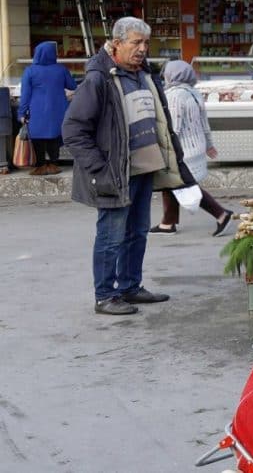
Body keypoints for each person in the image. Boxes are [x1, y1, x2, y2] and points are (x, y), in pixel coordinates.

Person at [62, 17, 196, 316]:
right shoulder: (99, 79)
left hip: (145, 168)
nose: (142, 49)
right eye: (136, 42)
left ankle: (130, 286)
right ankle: (105, 295)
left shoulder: (145, 74)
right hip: (116, 173)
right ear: (116, 43)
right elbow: (73, 130)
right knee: (111, 237)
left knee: (137, 232)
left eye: (146, 43)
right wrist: (100, 168)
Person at [148, 61, 234, 236]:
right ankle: (168, 223)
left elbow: (173, 128)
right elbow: (204, 122)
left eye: (167, 73)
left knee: (185, 185)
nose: (165, 76)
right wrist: (209, 144)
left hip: (182, 149)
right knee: (170, 182)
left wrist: (163, 147)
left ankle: (221, 214)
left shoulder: (174, 95)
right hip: (196, 146)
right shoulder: (193, 92)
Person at [18, 41, 76, 175]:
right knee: (55, 135)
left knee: (37, 136)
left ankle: (41, 165)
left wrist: (21, 113)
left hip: (36, 110)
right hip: (58, 109)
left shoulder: (30, 71)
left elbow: (25, 94)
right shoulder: (61, 69)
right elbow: (72, 86)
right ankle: (54, 164)